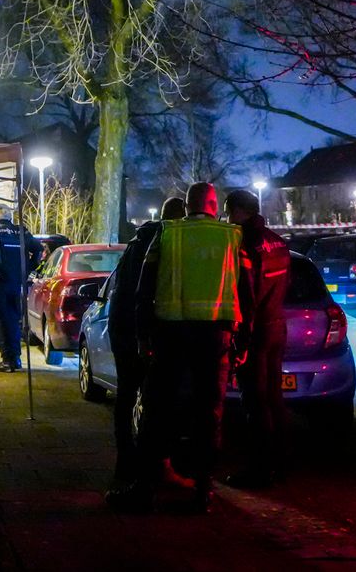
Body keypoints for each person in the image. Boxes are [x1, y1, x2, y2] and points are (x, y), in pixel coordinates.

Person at [115, 181, 246, 513]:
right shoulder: (232, 237)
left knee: (158, 410)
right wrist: (242, 339)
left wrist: (143, 335)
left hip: (171, 334)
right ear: (214, 206)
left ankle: (145, 488)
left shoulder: (168, 233)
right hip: (216, 336)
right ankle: (203, 491)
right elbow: (246, 292)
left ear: (187, 206)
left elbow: (144, 289)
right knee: (209, 414)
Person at [105, 196, 186, 490]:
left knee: (126, 396)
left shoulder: (136, 242)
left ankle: (125, 461)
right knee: (156, 400)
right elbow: (150, 292)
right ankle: (154, 465)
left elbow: (122, 289)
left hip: (122, 328)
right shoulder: (165, 243)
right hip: (145, 331)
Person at [224, 189, 290, 489]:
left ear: (239, 211)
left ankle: (259, 469)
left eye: (228, 212)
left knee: (255, 401)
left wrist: (241, 342)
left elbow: (247, 296)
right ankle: (281, 463)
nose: (228, 219)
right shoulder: (277, 241)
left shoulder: (245, 244)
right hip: (277, 326)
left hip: (257, 331)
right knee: (274, 398)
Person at [0, 210, 43, 372]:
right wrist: (27, 269)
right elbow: (39, 249)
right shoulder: (21, 231)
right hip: (16, 282)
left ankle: (7, 360)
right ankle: (15, 358)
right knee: (14, 319)